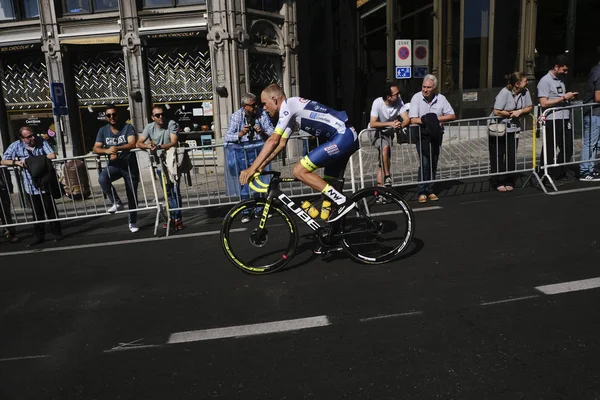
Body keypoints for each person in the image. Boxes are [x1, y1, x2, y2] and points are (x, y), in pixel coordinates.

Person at [239, 83, 360, 229]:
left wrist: (251, 168)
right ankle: (333, 236)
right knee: (329, 198)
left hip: (343, 135)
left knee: (299, 170)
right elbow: (281, 144)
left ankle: (343, 201)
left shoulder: (288, 106)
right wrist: (261, 167)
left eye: (265, 103)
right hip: (342, 137)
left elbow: (272, 141)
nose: (264, 108)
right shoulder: (291, 112)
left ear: (274, 99)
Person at [1, 127, 62, 246]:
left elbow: (52, 155)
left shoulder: (41, 141)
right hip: (30, 183)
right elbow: (3, 161)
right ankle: (39, 236)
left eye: (33, 135)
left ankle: (57, 232)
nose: (32, 138)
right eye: (28, 137)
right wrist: (16, 162)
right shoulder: (16, 145)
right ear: (21, 138)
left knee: (50, 209)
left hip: (45, 181)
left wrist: (31, 161)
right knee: (36, 212)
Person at [224, 93, 274, 223]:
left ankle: (259, 209)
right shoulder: (236, 116)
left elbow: (273, 132)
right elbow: (227, 136)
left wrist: (262, 132)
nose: (255, 107)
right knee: (244, 181)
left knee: (258, 180)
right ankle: (246, 211)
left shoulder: (262, 114)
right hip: (242, 153)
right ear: (244, 106)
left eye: (256, 104)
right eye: (252, 105)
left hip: (258, 152)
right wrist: (240, 134)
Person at [408, 74, 456, 203]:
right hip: (422, 134)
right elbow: (413, 118)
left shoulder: (441, 99)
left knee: (434, 161)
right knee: (424, 162)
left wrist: (434, 119)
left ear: (434, 88)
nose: (425, 90)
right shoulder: (416, 98)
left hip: (436, 134)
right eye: (424, 87)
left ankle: (431, 189)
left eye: (428, 87)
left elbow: (452, 115)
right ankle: (422, 191)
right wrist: (427, 121)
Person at [93, 104, 140, 233]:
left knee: (131, 195)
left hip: (129, 165)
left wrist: (117, 148)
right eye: (109, 115)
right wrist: (107, 151)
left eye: (114, 114)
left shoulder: (127, 127)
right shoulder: (103, 130)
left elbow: (132, 143)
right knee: (103, 179)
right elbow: (95, 148)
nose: (112, 117)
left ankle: (132, 222)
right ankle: (117, 202)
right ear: (106, 117)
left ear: (117, 115)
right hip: (114, 166)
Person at [137, 105, 184, 230]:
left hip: (172, 162)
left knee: (175, 191)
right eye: (157, 115)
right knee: (167, 192)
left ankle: (178, 218)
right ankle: (171, 217)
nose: (161, 117)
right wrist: (148, 145)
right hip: (160, 164)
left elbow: (173, 141)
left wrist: (159, 147)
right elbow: (138, 143)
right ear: (153, 117)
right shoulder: (149, 127)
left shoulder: (171, 124)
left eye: (162, 114)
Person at [488, 72, 533, 192]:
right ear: (517, 84)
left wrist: (520, 111)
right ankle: (498, 181)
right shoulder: (504, 92)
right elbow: (497, 111)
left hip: (513, 128)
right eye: (525, 81)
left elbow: (529, 107)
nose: (527, 82)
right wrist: (511, 113)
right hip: (499, 128)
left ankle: (509, 179)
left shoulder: (525, 92)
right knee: (498, 154)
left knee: (511, 154)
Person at [537, 54, 578, 182]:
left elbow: (560, 96)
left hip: (565, 117)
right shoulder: (545, 81)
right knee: (550, 148)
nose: (565, 72)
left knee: (568, 147)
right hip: (552, 119)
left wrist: (568, 98)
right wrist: (563, 98)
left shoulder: (561, 79)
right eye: (563, 69)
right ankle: (544, 173)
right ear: (556, 67)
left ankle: (559, 172)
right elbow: (543, 102)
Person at [368, 85, 410, 193]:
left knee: (383, 162)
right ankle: (387, 177)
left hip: (388, 133)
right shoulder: (377, 103)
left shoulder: (398, 101)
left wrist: (400, 124)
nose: (399, 95)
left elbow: (406, 118)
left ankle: (380, 191)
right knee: (384, 148)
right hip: (376, 132)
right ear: (389, 97)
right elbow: (373, 123)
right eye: (396, 94)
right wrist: (390, 124)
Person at [579, 46, 600, 182]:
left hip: (596, 114)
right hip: (594, 113)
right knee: (590, 143)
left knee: (595, 143)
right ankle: (585, 171)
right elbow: (597, 97)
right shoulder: (598, 71)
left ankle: (590, 169)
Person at [0, 156, 19, 243]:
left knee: (5, 211)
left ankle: (10, 232)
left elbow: (4, 168)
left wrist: (9, 184)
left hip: (2, 187)